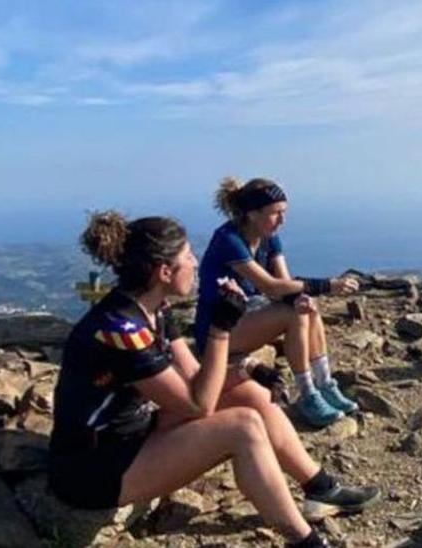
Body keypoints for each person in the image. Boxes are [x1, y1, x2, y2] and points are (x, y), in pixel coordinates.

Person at [50, 211, 379, 548]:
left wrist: (247, 371)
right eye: (188, 256)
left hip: (134, 434)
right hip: (92, 469)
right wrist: (221, 329)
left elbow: (195, 378)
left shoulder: (155, 309)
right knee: (242, 427)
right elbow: (198, 404)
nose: (195, 263)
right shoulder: (121, 330)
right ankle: (305, 542)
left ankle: (319, 488)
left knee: (250, 395)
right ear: (164, 272)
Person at [194, 177, 360, 428]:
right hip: (217, 332)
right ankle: (307, 394)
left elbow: (284, 284)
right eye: (275, 213)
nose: (282, 220)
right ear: (252, 213)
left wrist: (302, 297)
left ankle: (325, 385)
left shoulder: (269, 236)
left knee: (307, 308)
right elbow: (269, 286)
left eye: (284, 212)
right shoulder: (229, 240)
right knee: (292, 314)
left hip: (247, 317)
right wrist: (328, 285)